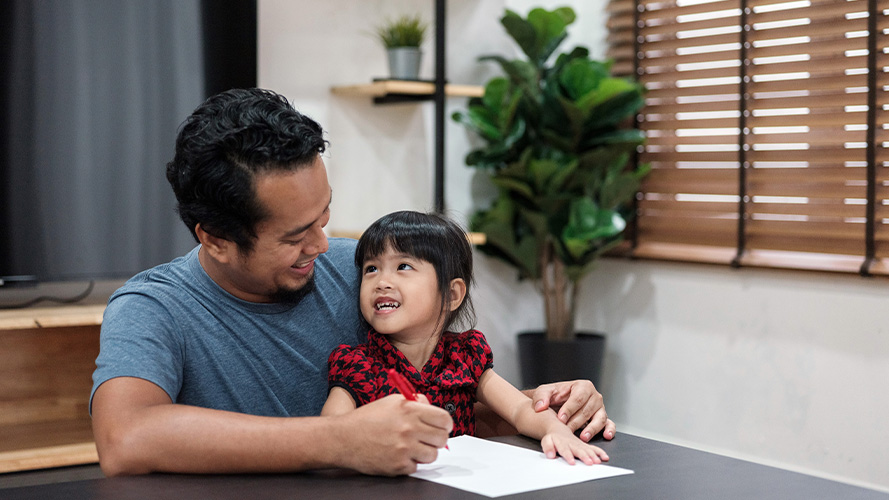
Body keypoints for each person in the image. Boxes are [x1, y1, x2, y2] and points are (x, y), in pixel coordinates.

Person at [90, 87, 615, 477]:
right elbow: (127, 437)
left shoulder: (365, 272)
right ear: (217, 239)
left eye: (324, 218)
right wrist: (338, 439)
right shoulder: (153, 306)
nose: (322, 247)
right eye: (296, 235)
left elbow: (437, 408)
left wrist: (545, 408)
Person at [322, 211, 609, 465]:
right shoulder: (357, 363)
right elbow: (330, 432)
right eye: (371, 269)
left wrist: (554, 431)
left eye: (403, 267)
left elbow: (520, 408)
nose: (381, 281)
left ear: (452, 294)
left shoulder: (466, 355)